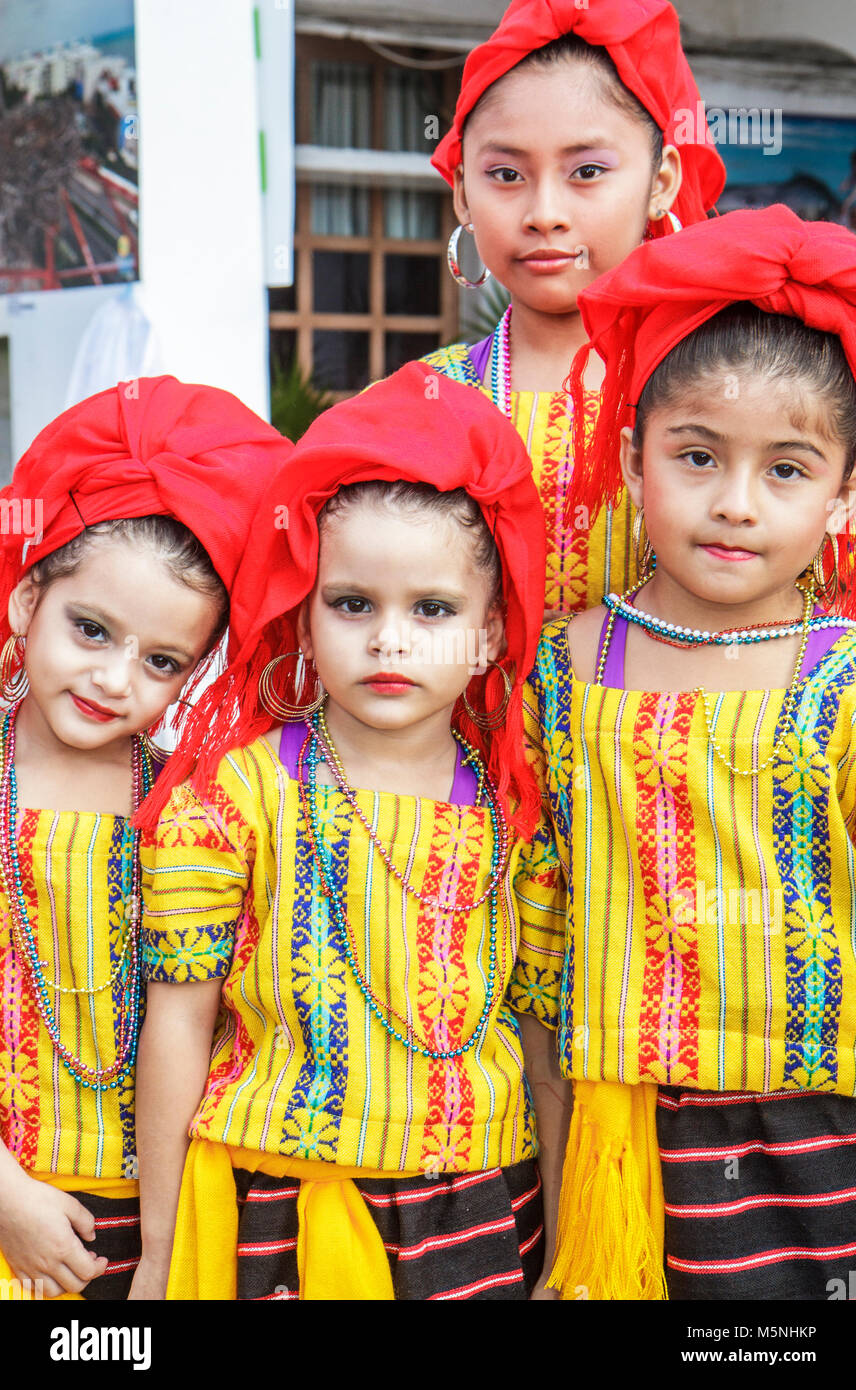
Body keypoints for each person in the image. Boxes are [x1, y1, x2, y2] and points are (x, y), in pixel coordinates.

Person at [130, 362, 569, 1302]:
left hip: (480, 1210)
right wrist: (162, 1259)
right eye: (354, 603)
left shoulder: (514, 812)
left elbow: (540, 1032)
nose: (389, 640)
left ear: (492, 632)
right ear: (304, 608)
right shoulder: (235, 795)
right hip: (272, 1213)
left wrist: (565, 1248)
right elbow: (179, 1019)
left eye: (433, 610)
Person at [524, 205, 856, 1299]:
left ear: (846, 493)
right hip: (610, 1131)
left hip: (824, 1137)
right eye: (695, 455)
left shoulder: (849, 684)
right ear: (631, 461)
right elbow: (529, 917)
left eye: (785, 470)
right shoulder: (562, 671)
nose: (732, 503)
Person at [0, 376, 292, 1300]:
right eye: (90, 628)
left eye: (160, 660)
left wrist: (165, 1259)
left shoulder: (187, 805)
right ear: (25, 601)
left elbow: (197, 1020)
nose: (113, 677)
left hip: (148, 1215)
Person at [424, 0, 725, 616]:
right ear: (462, 192)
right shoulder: (421, 402)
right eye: (505, 174)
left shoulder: (731, 393)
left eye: (587, 170)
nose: (544, 212)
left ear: (661, 181)